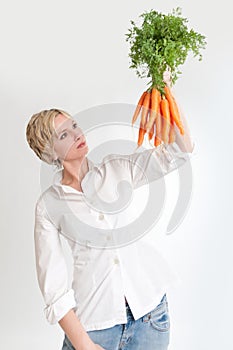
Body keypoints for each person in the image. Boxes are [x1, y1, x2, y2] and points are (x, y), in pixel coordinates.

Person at [26, 108, 195, 350]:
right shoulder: (48, 206)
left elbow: (180, 150)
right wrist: (84, 345)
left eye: (74, 126)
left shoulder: (116, 169)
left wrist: (166, 92)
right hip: (95, 329)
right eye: (63, 135)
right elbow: (53, 288)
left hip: (150, 318)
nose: (76, 134)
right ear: (48, 152)